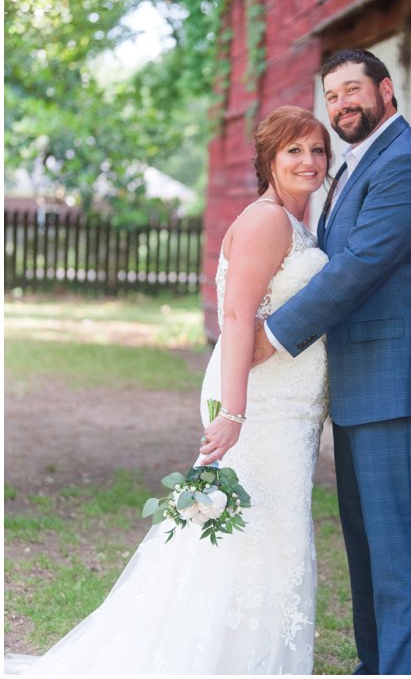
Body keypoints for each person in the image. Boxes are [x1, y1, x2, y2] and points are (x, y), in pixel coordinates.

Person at [19, 106, 333, 674]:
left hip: (289, 402)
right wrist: (234, 413)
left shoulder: (298, 221)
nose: (309, 161)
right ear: (269, 159)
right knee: (258, 532)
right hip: (258, 401)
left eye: (317, 150)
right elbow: (236, 317)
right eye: (295, 151)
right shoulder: (268, 221)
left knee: (269, 533)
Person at [253, 49, 411, 675]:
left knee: (400, 547)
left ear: (385, 88)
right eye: (332, 95)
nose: (342, 103)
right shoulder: (355, 165)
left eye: (352, 89)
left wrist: (276, 335)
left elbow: (360, 267)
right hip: (360, 384)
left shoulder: (407, 164)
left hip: (398, 382)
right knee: (370, 547)